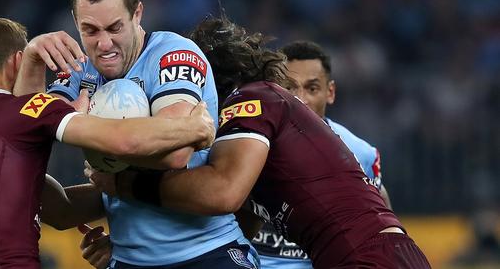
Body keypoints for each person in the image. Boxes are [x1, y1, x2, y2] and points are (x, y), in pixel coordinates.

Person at [89, 15, 431, 269]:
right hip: (376, 253)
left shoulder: (252, 99)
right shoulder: (258, 137)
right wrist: (132, 242)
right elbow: (239, 224)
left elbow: (222, 193)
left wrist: (125, 183)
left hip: (362, 256)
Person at [15, 0, 259, 269]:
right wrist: (32, 60)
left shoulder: (173, 54)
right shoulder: (79, 69)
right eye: (90, 30)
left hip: (206, 254)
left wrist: (88, 133)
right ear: (75, 23)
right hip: (128, 260)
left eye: (115, 28)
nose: (104, 44)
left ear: (138, 14)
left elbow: (175, 153)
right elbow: (21, 142)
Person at [0, 17, 216, 268]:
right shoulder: (20, 111)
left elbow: (46, 203)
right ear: (18, 61)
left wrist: (118, 200)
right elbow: (122, 140)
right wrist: (191, 128)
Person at [248, 40, 393, 269]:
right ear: (274, 89)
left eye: (312, 88)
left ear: (330, 92)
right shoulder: (249, 141)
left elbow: (378, 218)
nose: (301, 99)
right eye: (290, 87)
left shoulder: (360, 152)